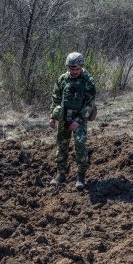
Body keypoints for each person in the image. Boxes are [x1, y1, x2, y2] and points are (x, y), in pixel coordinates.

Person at [49, 52, 96, 189]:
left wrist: (79, 120)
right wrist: (53, 116)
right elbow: (55, 98)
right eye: (71, 68)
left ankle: (81, 176)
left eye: (77, 69)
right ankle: (60, 174)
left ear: (81, 66)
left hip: (79, 118)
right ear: (67, 67)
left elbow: (90, 104)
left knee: (80, 146)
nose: (74, 71)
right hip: (63, 117)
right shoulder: (63, 79)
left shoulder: (88, 81)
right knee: (62, 146)